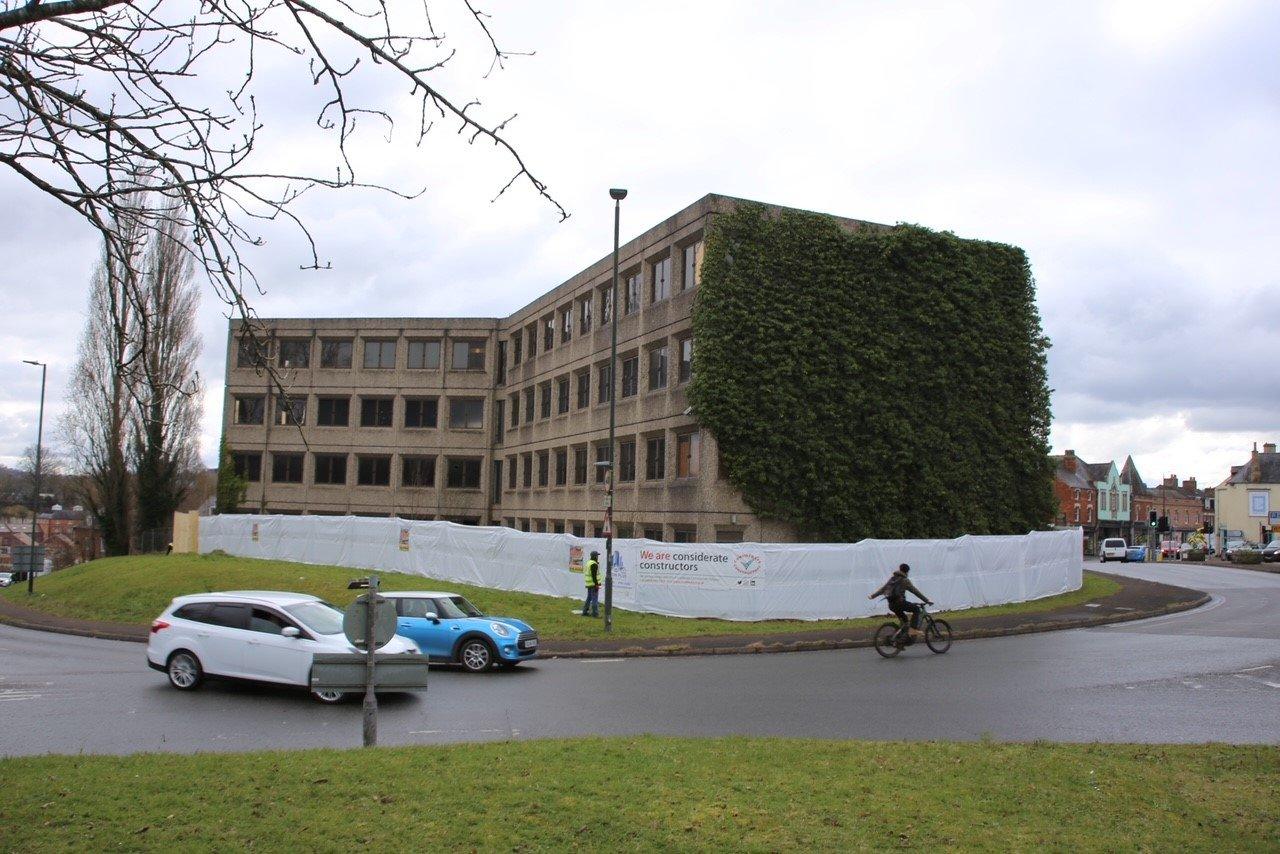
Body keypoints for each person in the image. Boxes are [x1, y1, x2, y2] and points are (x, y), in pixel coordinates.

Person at [868, 563, 932, 641]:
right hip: (900, 603)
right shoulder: (905, 580)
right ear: (907, 572)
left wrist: (872, 596)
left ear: (900, 569)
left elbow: (883, 589)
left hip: (891, 605)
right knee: (916, 609)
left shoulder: (892, 578)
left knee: (905, 621)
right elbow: (915, 591)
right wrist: (927, 600)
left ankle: (901, 639)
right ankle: (912, 630)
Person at [581, 550, 602, 617]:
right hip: (593, 584)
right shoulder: (594, 564)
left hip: (589, 584)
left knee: (589, 598)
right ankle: (595, 614)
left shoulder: (589, 562)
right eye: (597, 556)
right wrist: (596, 584)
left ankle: (585, 611)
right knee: (594, 599)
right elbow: (594, 576)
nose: (597, 557)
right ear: (595, 556)